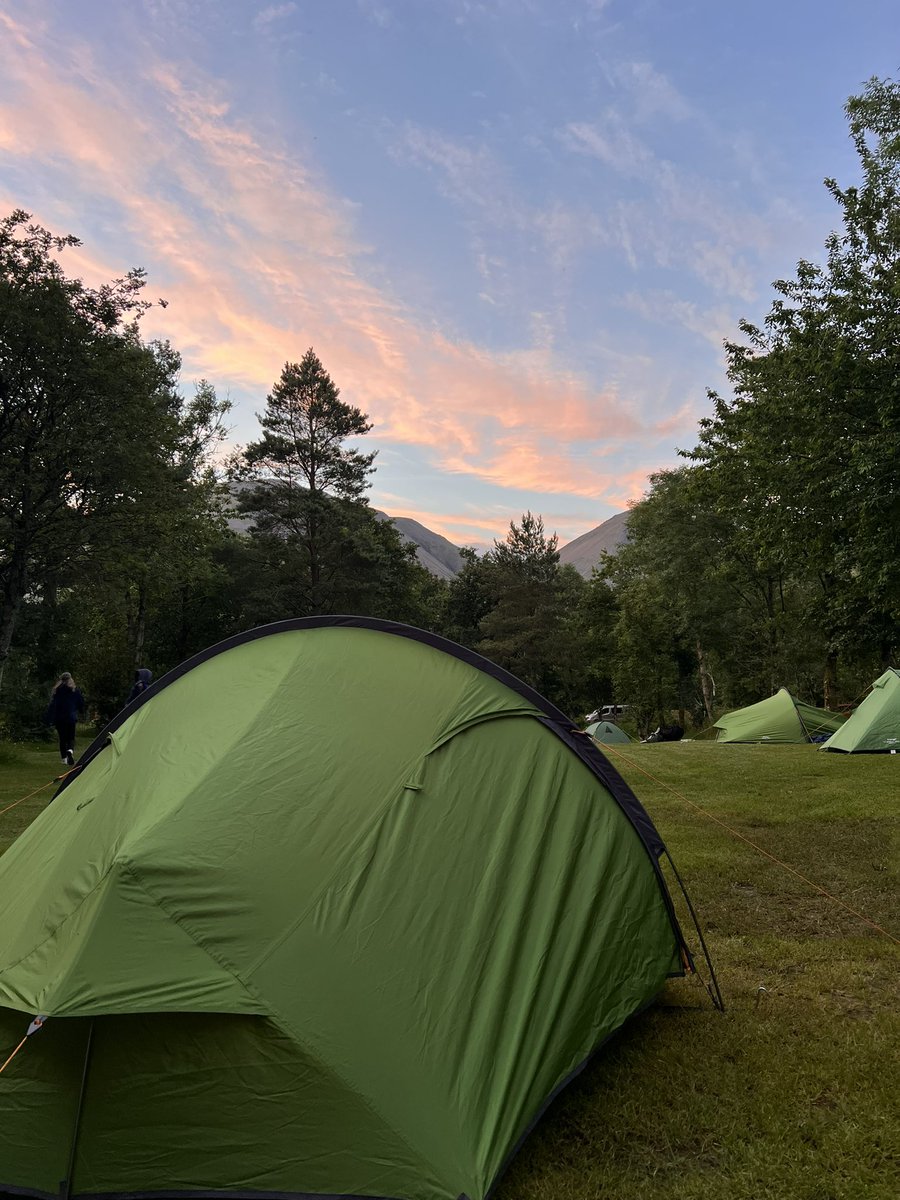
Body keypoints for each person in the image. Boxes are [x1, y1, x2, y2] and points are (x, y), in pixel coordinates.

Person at [45, 672, 86, 767]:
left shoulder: (57, 691)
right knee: (71, 737)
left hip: (59, 718)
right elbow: (81, 703)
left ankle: (64, 759)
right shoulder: (75, 690)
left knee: (62, 739)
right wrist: (81, 712)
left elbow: (53, 705)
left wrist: (49, 718)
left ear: (61, 680)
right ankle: (70, 751)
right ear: (70, 679)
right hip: (71, 718)